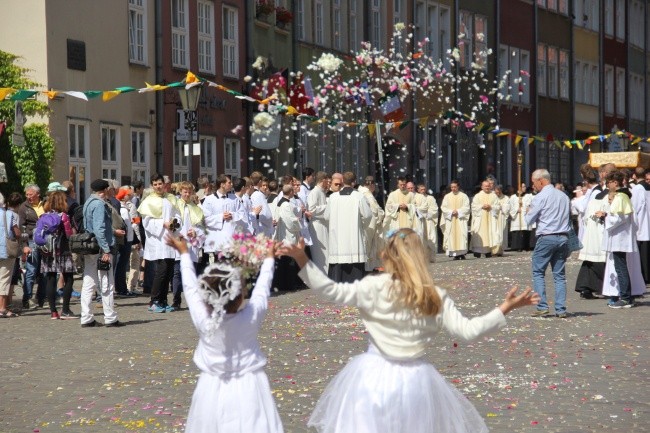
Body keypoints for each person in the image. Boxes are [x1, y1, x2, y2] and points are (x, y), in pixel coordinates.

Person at [278, 229, 539, 433]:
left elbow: (331, 290)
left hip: (371, 376)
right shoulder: (434, 296)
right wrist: (504, 308)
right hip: (416, 380)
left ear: (387, 257)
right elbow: (469, 331)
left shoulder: (374, 287)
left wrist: (302, 258)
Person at [166, 234, 283, 433]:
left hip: (210, 388)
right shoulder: (251, 318)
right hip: (250, 386)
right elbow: (263, 288)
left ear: (206, 297)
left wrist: (184, 253)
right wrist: (269, 258)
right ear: (240, 296)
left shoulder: (204, 321)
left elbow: (190, 288)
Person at [525, 169, 571, 318]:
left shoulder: (540, 197)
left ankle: (542, 305)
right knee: (559, 275)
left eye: (534, 182)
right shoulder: (564, 196)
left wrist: (527, 211)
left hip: (546, 237)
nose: (534, 186)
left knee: (538, 272)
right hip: (563, 237)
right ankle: (561, 309)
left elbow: (529, 219)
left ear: (541, 181)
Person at [80, 179, 122, 327]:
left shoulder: (88, 202)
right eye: (109, 190)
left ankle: (86, 317)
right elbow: (99, 228)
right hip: (100, 247)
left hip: (90, 247)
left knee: (89, 281)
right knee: (107, 282)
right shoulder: (99, 204)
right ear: (104, 191)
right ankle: (110, 317)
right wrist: (106, 249)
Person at [138, 174, 181, 313]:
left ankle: (163, 300)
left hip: (170, 237)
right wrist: (163, 223)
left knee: (168, 271)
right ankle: (154, 300)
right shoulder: (149, 201)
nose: (158, 186)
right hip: (158, 239)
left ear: (164, 184)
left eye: (160, 184)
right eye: (155, 184)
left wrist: (174, 223)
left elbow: (178, 215)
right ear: (152, 186)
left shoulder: (171, 198)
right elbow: (147, 222)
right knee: (161, 271)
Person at [599, 170, 641, 308]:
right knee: (621, 266)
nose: (606, 185)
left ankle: (625, 298)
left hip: (619, 238)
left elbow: (619, 218)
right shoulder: (623, 196)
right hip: (620, 237)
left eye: (608, 182)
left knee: (620, 267)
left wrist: (605, 216)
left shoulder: (620, 197)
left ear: (615, 182)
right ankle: (627, 296)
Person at [327, 172, 372, 283]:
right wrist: (361, 226)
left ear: (342, 181)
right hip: (353, 236)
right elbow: (367, 215)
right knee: (354, 260)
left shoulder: (333, 197)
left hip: (337, 236)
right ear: (354, 182)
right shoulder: (359, 196)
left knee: (338, 261)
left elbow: (326, 216)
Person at [573, 164, 607, 299]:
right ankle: (586, 287)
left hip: (595, 229)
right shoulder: (594, 192)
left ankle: (587, 287)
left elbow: (585, 208)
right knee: (592, 259)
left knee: (594, 259)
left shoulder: (596, 192)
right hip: (592, 228)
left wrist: (575, 201)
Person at [171, 182, 205, 309]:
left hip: (192, 243)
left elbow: (201, 226)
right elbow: (171, 223)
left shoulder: (196, 208)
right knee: (177, 272)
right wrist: (176, 233)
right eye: (185, 192)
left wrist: (196, 232)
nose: (187, 194)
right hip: (179, 242)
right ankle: (176, 299)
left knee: (192, 273)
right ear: (180, 192)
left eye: (189, 192)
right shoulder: (175, 206)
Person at [18, 184, 46, 309]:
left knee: (44, 271)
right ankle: (27, 298)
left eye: (31, 194)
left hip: (46, 241)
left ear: (38, 194)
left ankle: (41, 298)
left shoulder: (45, 204)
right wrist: (24, 245)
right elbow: (22, 227)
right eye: (27, 194)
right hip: (31, 241)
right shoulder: (24, 207)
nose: (28, 197)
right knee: (31, 270)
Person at [0, 193, 21, 318]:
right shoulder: (9, 215)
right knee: (4, 279)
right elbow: (16, 232)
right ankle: (2, 308)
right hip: (6, 250)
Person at [439, 180, 470, 260]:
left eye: (455, 187)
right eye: (452, 187)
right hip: (451, 219)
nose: (453, 189)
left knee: (461, 235)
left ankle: (462, 253)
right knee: (451, 235)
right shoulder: (447, 196)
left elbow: (467, 207)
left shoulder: (464, 196)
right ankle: (454, 254)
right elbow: (443, 207)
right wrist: (451, 212)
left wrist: (458, 211)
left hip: (460, 219)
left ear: (458, 187)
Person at [470, 180, 501, 258]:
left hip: (490, 218)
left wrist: (491, 207)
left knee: (490, 233)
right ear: (482, 187)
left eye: (488, 186)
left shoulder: (494, 196)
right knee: (480, 233)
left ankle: (488, 251)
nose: (487, 187)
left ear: (490, 186)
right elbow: (474, 206)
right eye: (485, 186)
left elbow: (497, 206)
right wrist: (482, 206)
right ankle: (478, 251)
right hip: (480, 219)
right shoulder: (477, 196)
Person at [359, 176, 385, 270]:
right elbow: (375, 211)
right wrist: (382, 215)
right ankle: (368, 268)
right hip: (370, 224)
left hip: (364, 223)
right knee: (369, 247)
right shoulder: (367, 194)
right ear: (372, 185)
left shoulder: (360, 192)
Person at [307, 171, 330, 274]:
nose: (328, 182)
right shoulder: (314, 192)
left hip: (323, 224)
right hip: (317, 225)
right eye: (327, 180)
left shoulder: (322, 192)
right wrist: (327, 206)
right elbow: (311, 210)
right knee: (319, 253)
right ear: (322, 180)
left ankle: (326, 273)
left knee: (326, 252)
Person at [630, 167, 650, 284]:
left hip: (642, 224)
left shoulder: (638, 188)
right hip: (647, 222)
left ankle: (644, 276)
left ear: (634, 176)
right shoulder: (647, 187)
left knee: (642, 252)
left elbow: (635, 206)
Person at [417, 184, 439, 263]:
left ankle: (432, 257)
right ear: (418, 190)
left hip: (429, 220)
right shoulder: (416, 197)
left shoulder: (430, 198)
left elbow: (434, 209)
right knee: (422, 239)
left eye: (424, 189)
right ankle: (423, 258)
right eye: (421, 189)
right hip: (421, 221)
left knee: (431, 237)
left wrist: (427, 214)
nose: (423, 191)